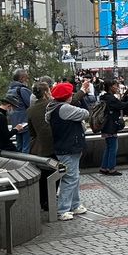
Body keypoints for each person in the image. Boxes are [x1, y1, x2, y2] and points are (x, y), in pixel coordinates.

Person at [46, 82, 90, 221]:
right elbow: (85, 113)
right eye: (70, 94)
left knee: (74, 177)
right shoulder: (64, 108)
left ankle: (75, 205)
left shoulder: (52, 107)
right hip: (68, 148)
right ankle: (63, 209)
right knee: (70, 178)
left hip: (68, 146)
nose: (72, 96)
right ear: (66, 96)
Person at [98, 79, 128, 176]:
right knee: (113, 148)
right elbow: (123, 106)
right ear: (110, 87)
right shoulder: (110, 98)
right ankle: (111, 168)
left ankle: (104, 167)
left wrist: (127, 95)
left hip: (106, 126)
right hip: (111, 126)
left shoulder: (106, 97)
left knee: (109, 147)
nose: (117, 87)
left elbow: (119, 104)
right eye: (115, 85)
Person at [6, 68, 33, 153]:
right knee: (26, 146)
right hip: (24, 121)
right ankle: (26, 163)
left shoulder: (9, 91)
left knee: (19, 145)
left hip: (14, 122)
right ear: (21, 78)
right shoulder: (22, 90)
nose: (27, 80)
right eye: (26, 78)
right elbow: (31, 104)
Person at [27, 82, 54, 157]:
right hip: (56, 144)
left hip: (42, 147)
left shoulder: (30, 110)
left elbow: (32, 132)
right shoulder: (52, 104)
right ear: (46, 92)